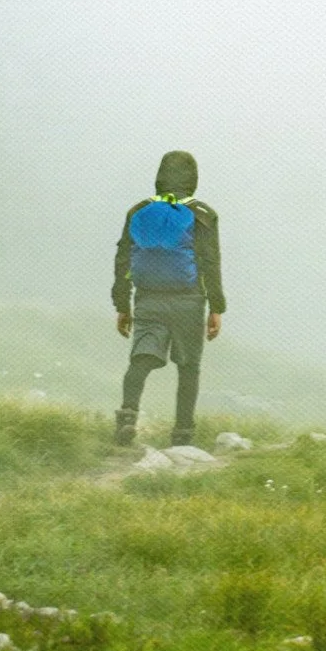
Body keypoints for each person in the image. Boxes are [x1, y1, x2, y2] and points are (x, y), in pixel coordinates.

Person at [112, 149, 225, 448]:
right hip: (189, 301)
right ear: (193, 178)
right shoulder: (203, 214)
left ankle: (127, 416)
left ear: (159, 176)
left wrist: (122, 305)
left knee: (141, 359)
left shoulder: (139, 211)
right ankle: (183, 435)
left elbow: (123, 259)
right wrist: (216, 308)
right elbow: (210, 262)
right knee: (188, 367)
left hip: (148, 298)